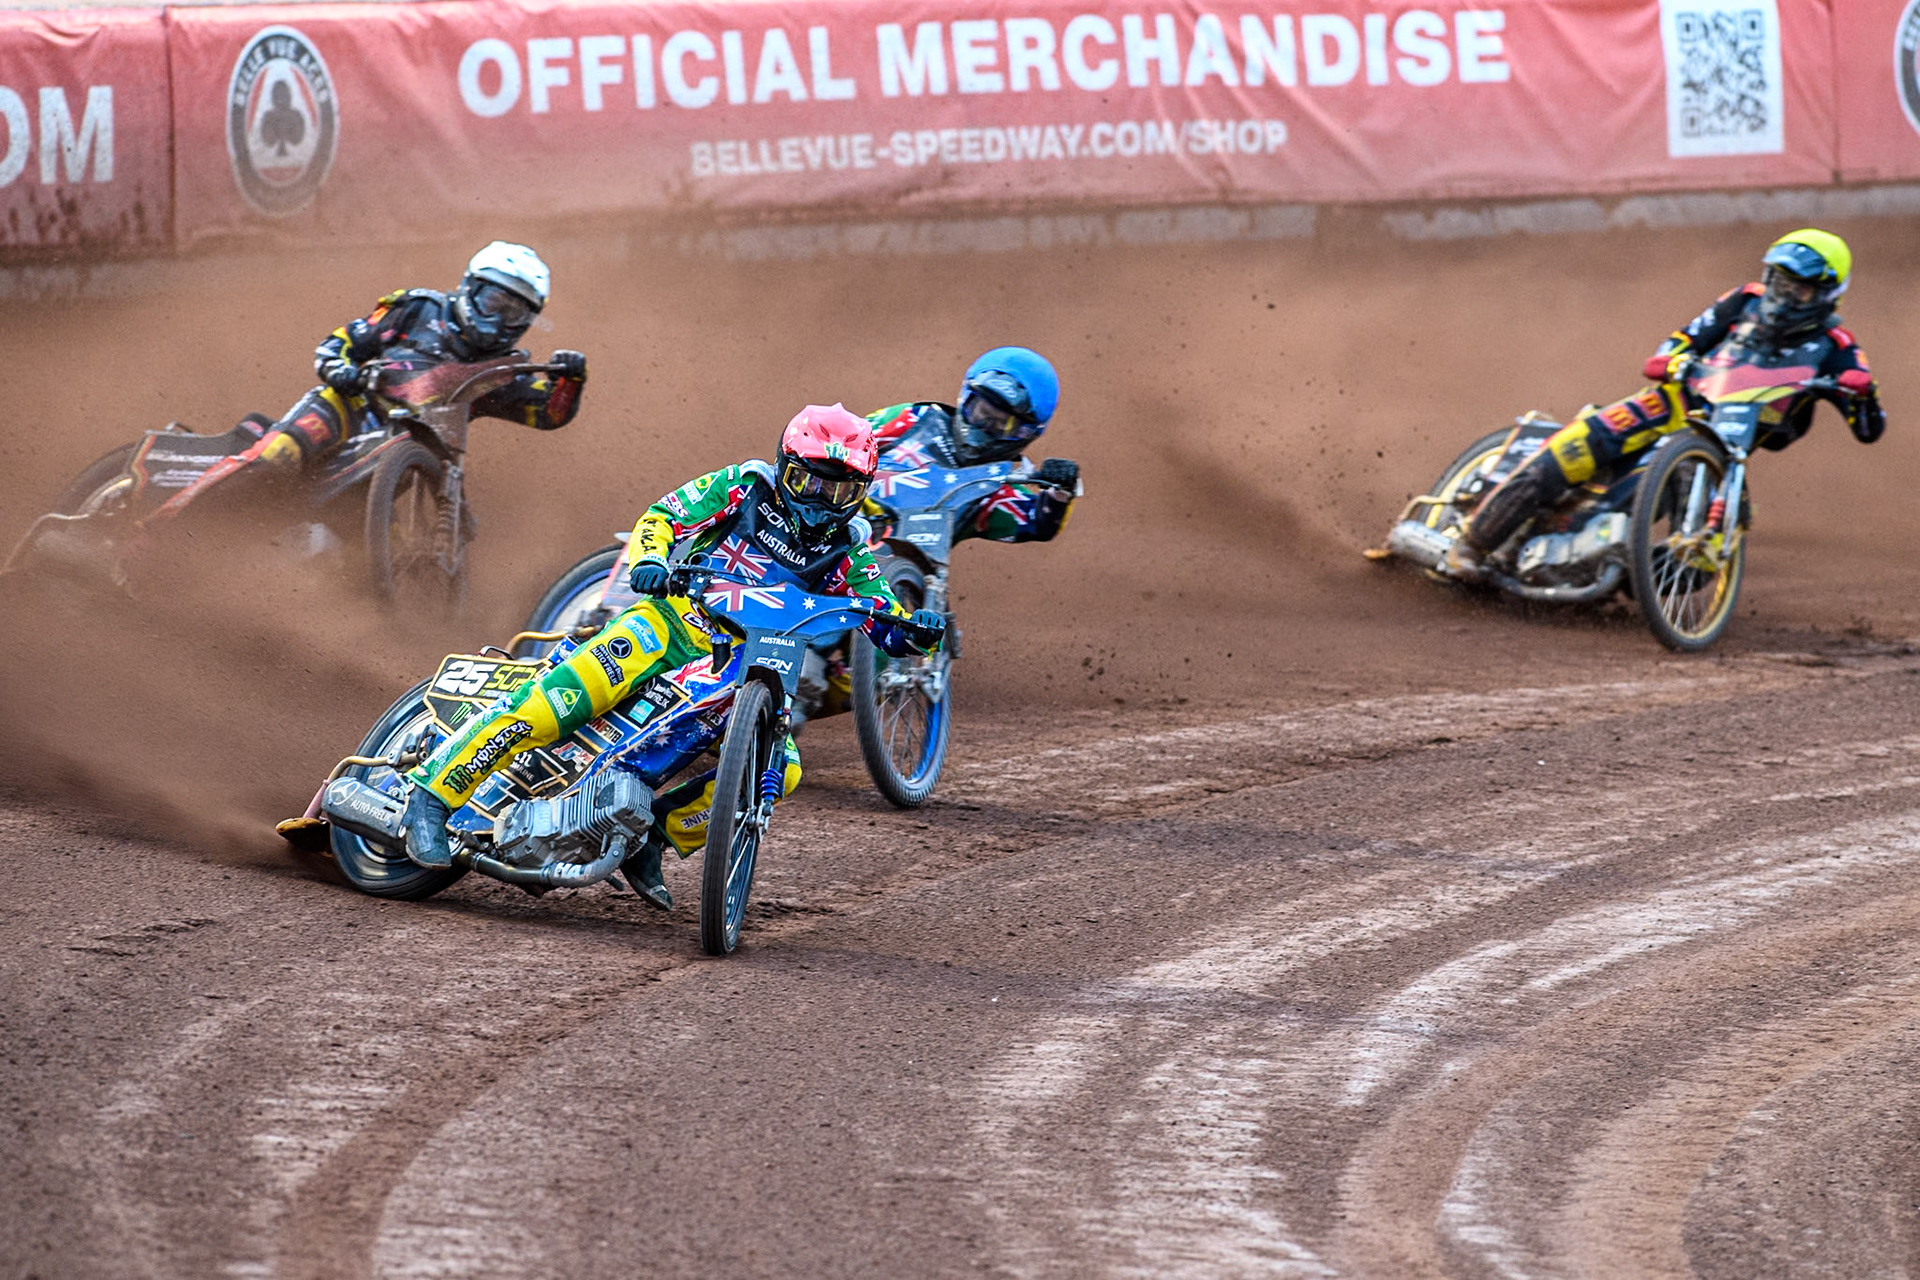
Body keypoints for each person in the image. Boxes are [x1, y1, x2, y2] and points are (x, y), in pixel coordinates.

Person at [398, 404, 946, 908]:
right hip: (674, 624)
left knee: (783, 769)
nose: (820, 502)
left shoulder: (850, 544)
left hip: (750, 659)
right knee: (558, 702)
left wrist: (919, 632)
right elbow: (663, 516)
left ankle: (651, 837)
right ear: (785, 467)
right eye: (808, 482)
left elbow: (884, 617)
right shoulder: (745, 484)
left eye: (839, 492)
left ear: (860, 494)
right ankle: (431, 797)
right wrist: (650, 560)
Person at [1446, 229, 1884, 581]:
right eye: (1777, 281)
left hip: (1717, 445)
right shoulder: (1743, 301)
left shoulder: (1837, 347)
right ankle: (1472, 544)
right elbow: (1682, 340)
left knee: (1687, 538)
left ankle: (1628, 578)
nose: (1782, 295)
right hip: (1670, 403)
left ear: (1827, 293)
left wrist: (1862, 394)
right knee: (1575, 446)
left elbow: (1869, 429)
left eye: (1797, 289)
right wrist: (1672, 359)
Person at [144, 241, 588, 525]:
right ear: (469, 289)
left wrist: (571, 379)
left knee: (366, 547)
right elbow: (338, 343)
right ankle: (165, 527)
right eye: (493, 301)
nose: (498, 319)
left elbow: (547, 413)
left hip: (401, 458)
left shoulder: (500, 371)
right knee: (278, 455)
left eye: (514, 312)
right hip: (348, 409)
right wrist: (341, 370)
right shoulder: (417, 309)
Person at [865, 345, 1081, 544]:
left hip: (903, 568)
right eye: (982, 413)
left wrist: (1062, 489)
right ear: (965, 398)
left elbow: (1040, 522)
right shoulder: (914, 418)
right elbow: (846, 438)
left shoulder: (992, 488)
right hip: (843, 523)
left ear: (1027, 432)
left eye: (1002, 425)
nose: (984, 428)